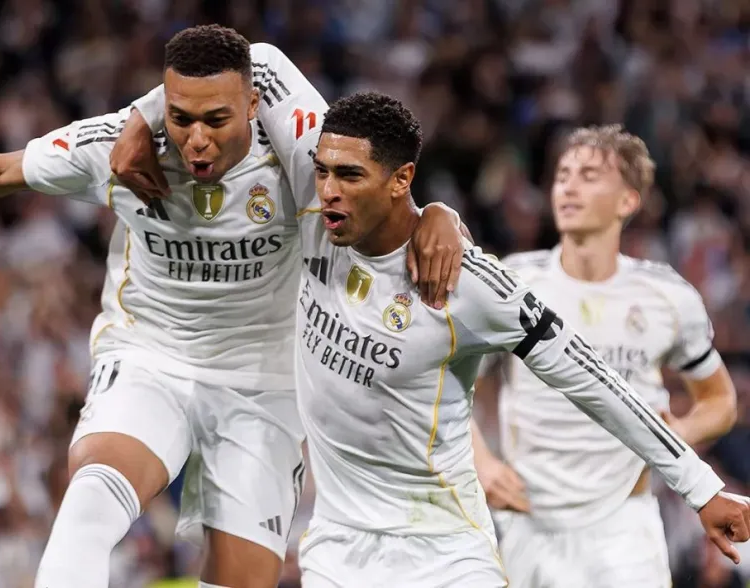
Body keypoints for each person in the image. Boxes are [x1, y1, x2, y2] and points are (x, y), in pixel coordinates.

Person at [0, 26, 465, 588]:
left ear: (253, 107)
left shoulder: (300, 151)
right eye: (180, 117)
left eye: (216, 120)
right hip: (151, 353)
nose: (195, 139)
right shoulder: (121, 149)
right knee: (94, 493)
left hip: (264, 377)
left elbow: (383, 189)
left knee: (248, 577)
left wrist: (439, 213)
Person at [117, 59, 750, 588]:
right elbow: (251, 57)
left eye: (350, 177)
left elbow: (595, 381)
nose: (328, 190)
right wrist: (142, 117)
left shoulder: (468, 286)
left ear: (401, 181)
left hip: (445, 558)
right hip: (337, 554)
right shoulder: (316, 198)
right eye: (324, 172)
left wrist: (700, 487)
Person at [470, 125, 740, 588]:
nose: (569, 187)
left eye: (590, 175)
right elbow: (446, 385)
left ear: (628, 201)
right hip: (528, 522)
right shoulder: (513, 284)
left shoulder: (667, 296)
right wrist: (480, 462)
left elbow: (720, 400)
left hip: (625, 526)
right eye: (562, 175)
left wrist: (678, 432)